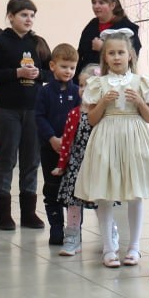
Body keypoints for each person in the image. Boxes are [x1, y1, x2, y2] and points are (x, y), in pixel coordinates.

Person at [74, 30, 149, 268]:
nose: (117, 57)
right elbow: (91, 119)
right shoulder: (97, 83)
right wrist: (103, 102)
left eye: (121, 52)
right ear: (105, 57)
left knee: (135, 192)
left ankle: (134, 247)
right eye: (111, 53)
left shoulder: (141, 82)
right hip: (106, 137)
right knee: (105, 193)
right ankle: (109, 248)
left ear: (130, 55)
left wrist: (139, 101)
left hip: (134, 137)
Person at [0, 0, 50, 231]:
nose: (28, 19)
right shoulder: (0, 42)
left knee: (31, 161)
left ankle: (29, 213)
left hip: (33, 110)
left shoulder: (37, 42)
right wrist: (17, 73)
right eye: (23, 15)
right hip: (7, 110)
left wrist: (38, 74)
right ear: (11, 16)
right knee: (6, 160)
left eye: (32, 15)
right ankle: (3, 214)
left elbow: (51, 72)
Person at [35, 43, 81, 246]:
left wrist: (70, 142)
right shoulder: (44, 92)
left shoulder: (78, 93)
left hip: (73, 151)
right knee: (52, 188)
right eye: (64, 66)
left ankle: (74, 229)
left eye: (72, 67)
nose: (68, 71)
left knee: (74, 190)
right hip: (50, 148)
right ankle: (56, 227)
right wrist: (52, 138)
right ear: (52, 66)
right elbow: (39, 117)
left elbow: (81, 118)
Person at [54, 64, 99, 257]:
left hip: (97, 166)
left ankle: (110, 235)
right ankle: (72, 237)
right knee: (73, 203)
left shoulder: (103, 115)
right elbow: (67, 142)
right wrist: (62, 165)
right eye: (81, 85)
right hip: (76, 165)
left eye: (89, 86)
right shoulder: (74, 114)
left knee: (101, 202)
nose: (83, 90)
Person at [77, 0, 141, 73]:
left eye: (101, 3)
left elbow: (133, 54)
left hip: (115, 75)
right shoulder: (91, 25)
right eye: (94, 3)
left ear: (112, 5)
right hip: (88, 75)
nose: (96, 6)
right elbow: (80, 53)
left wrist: (103, 48)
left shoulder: (127, 27)